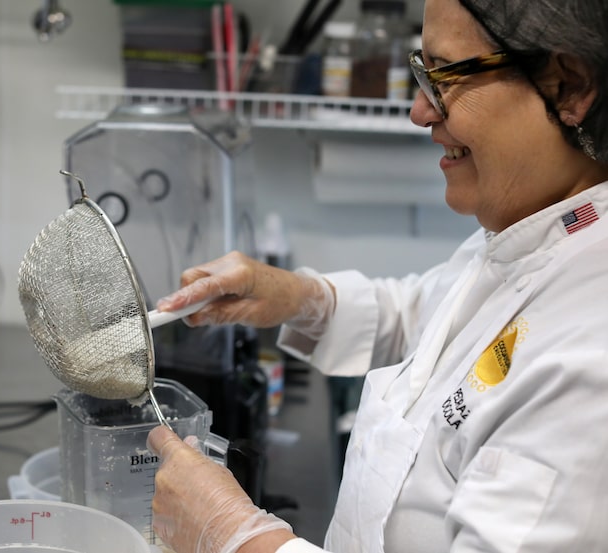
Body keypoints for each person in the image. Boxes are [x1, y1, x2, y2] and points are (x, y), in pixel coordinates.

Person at [145, 0, 608, 552]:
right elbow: (434, 327)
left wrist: (236, 538)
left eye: (445, 75)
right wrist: (297, 297)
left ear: (569, 87)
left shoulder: (590, 360)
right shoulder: (537, 232)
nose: (420, 110)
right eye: (422, 71)